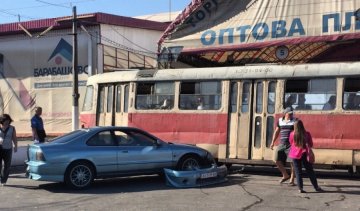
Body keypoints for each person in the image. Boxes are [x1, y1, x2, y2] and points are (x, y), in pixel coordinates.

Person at [289, 120, 323, 193]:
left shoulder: (292, 134)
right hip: (304, 154)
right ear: (302, 126)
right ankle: (316, 187)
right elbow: (311, 144)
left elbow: (291, 142)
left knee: (298, 172)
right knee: (310, 171)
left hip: (294, 155)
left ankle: (300, 188)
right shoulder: (307, 134)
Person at [270, 107, 296, 185]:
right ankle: (285, 175)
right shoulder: (280, 121)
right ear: (285, 113)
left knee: (292, 162)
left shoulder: (295, 121)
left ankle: (292, 179)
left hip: (291, 144)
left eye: (292, 113)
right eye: (289, 113)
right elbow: (277, 131)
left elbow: (297, 132)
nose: (291, 115)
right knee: (276, 159)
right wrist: (272, 142)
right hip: (282, 143)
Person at [0, 114, 17, 186]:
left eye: (8, 120)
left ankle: (4, 180)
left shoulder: (12, 128)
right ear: (2, 121)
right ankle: (1, 177)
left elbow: (14, 138)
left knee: (7, 166)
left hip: (8, 149)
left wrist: (15, 146)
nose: (7, 122)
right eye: (5, 121)